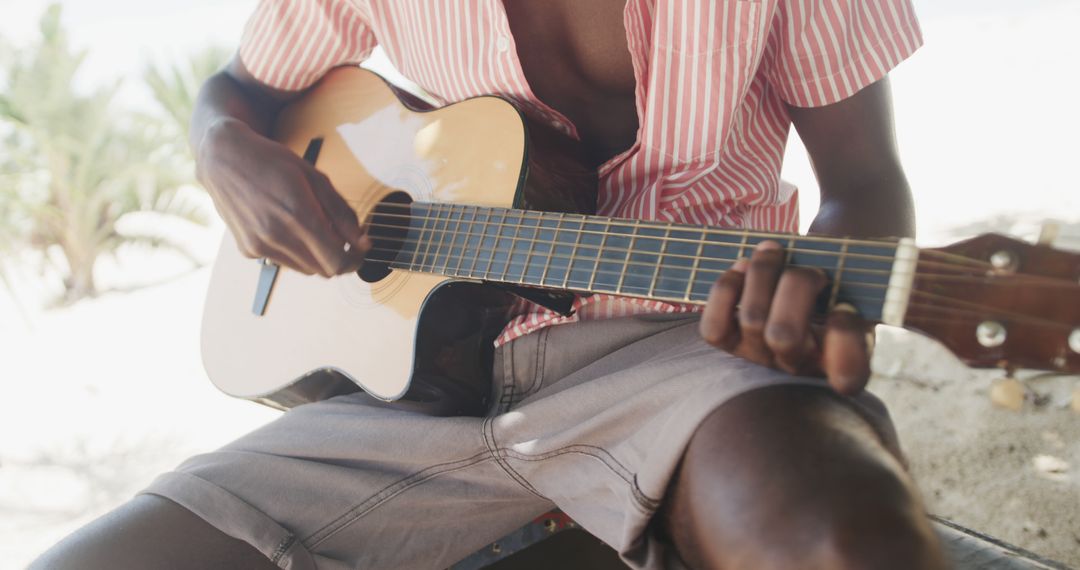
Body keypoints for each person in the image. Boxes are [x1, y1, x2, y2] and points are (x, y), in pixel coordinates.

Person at [34, 1, 948, 568]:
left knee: (847, 551)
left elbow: (865, 184)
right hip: (413, 391)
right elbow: (236, 90)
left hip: (699, 354)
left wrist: (823, 297)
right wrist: (220, 146)